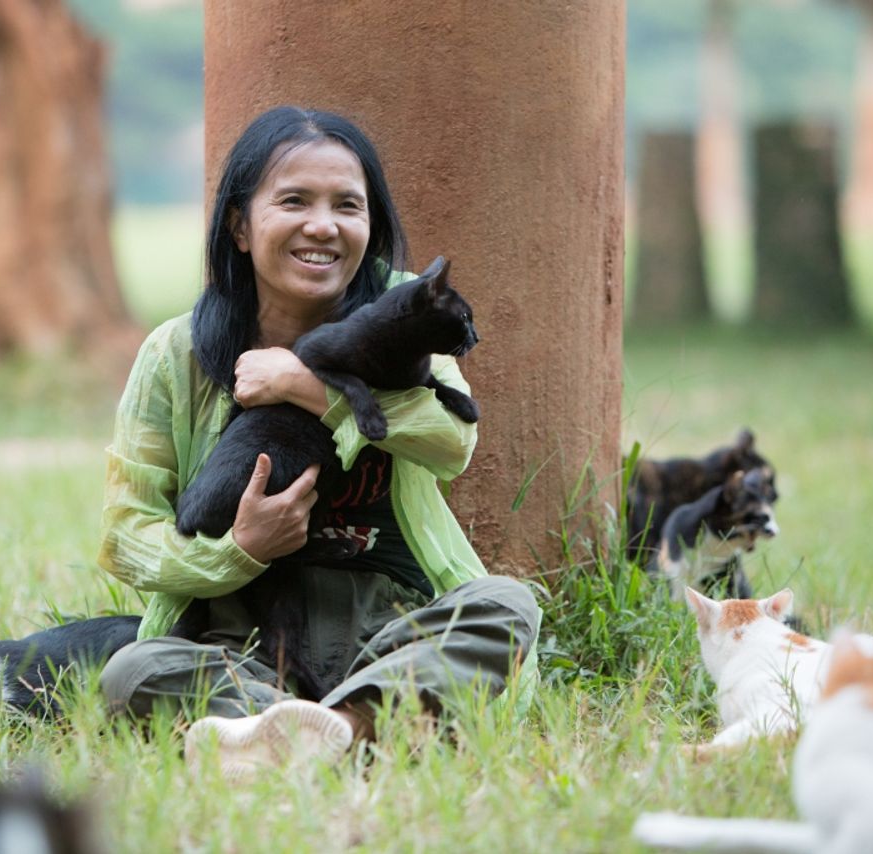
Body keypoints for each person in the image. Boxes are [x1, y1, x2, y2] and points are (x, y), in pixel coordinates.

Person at [96, 105, 541, 779]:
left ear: (371, 224)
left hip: (387, 632)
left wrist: (310, 386)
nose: (324, 226)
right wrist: (237, 552)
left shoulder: (404, 311)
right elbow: (127, 532)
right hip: (237, 640)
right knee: (135, 668)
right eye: (294, 201)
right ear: (241, 226)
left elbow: (452, 440)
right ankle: (352, 728)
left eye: (348, 206)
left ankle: (305, 732)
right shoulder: (176, 353)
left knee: (506, 605)